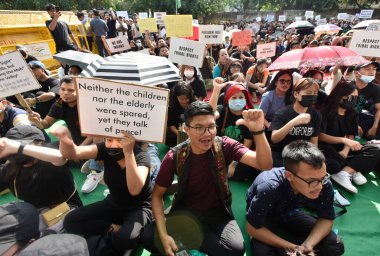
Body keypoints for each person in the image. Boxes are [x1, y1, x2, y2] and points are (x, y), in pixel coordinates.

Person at [141, 101, 272, 256]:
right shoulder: (174, 156)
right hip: (185, 212)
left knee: (235, 249)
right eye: (199, 128)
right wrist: (163, 236)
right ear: (186, 129)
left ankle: (185, 240)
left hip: (218, 212)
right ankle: (186, 238)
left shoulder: (224, 145)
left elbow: (265, 164)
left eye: (211, 127)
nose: (207, 133)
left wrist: (258, 131)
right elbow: (157, 196)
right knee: (148, 236)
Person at [52, 126, 152, 255]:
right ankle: (114, 229)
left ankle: (113, 239)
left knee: (124, 240)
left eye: (120, 141)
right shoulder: (104, 149)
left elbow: (134, 190)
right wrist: (65, 139)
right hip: (114, 203)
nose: (113, 145)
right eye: (109, 140)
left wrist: (128, 153)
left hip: (139, 208)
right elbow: (73, 153)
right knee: (71, 220)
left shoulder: (142, 157)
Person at [246, 140, 345, 256]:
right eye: (311, 181)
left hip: (291, 212)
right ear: (289, 176)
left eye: (323, 177)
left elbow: (326, 218)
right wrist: (293, 248)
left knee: (335, 245)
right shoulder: (268, 188)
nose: (319, 186)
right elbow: (252, 228)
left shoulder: (324, 183)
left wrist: (307, 246)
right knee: (262, 253)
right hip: (267, 217)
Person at [28, 76, 104, 193]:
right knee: (48, 150)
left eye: (70, 90)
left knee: (100, 142)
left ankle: (96, 171)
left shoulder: (88, 104)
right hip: (75, 143)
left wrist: (79, 150)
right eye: (62, 89)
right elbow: (46, 123)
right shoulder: (59, 105)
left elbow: (95, 132)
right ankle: (85, 161)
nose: (65, 93)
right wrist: (37, 120)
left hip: (92, 141)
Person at [0, 125, 82, 210]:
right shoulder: (9, 170)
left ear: (40, 143)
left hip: (70, 209)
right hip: (37, 216)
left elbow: (60, 157)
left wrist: (18, 147)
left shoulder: (52, 150)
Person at [319, 81, 380, 194]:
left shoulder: (352, 113)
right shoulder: (324, 111)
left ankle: (347, 171)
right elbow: (320, 136)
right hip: (327, 147)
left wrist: (346, 150)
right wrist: (343, 139)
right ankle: (353, 168)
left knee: (375, 149)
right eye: (352, 97)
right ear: (340, 95)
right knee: (331, 162)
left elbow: (351, 135)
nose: (354, 100)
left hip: (344, 148)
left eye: (356, 98)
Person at [210, 79, 260, 181]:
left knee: (252, 167)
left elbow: (247, 142)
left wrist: (235, 162)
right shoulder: (223, 110)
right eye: (234, 97)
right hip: (219, 151)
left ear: (245, 99)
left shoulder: (248, 115)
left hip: (239, 153)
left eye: (241, 97)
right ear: (227, 99)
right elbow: (210, 114)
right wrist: (216, 91)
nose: (238, 100)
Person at [270, 78, 322, 167]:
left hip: (302, 154)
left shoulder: (316, 114)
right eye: (308, 93)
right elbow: (274, 138)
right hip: (282, 153)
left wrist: (313, 158)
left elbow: (314, 141)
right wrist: (293, 122)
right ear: (296, 94)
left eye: (315, 93)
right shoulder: (282, 113)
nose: (312, 96)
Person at [352, 62, 380, 139]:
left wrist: (374, 127)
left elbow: (379, 108)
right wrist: (354, 125)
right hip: (343, 117)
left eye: (374, 69)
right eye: (367, 69)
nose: (372, 72)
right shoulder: (347, 86)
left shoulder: (375, 88)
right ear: (356, 73)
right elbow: (339, 111)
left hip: (357, 115)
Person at [166, 82, 196, 147]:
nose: (184, 101)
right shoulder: (172, 107)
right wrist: (178, 133)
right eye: (181, 99)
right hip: (178, 132)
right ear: (176, 97)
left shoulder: (195, 104)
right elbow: (171, 124)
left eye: (187, 98)